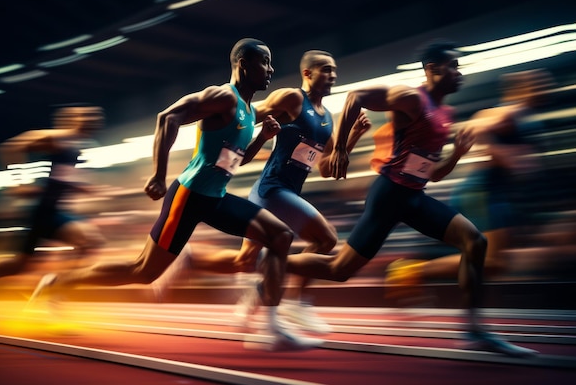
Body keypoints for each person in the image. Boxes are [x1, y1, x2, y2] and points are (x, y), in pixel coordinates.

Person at [28, 38, 322, 351]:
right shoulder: (223, 96)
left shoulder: (250, 112)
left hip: (216, 198)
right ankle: (57, 283)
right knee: (142, 272)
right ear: (244, 65)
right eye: (265, 62)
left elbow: (233, 162)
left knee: (279, 236)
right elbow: (167, 117)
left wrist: (262, 137)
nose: (271, 70)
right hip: (188, 196)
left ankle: (272, 327)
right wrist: (158, 174)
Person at [283, 40, 538, 357]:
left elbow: (433, 175)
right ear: (433, 69)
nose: (459, 73)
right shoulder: (411, 98)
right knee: (339, 270)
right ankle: (272, 261)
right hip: (389, 195)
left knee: (475, 241)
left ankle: (475, 329)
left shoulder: (445, 113)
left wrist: (457, 155)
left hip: (415, 196)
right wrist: (339, 149)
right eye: (453, 66)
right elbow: (355, 96)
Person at [184, 50, 371, 333]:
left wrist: (353, 136)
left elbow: (327, 169)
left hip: (285, 193)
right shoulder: (292, 98)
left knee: (242, 261)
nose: (332, 75)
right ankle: (296, 303)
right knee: (325, 240)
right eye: (325, 69)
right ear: (307, 73)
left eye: (334, 70)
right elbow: (246, 117)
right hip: (272, 190)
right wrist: (220, 153)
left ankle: (193, 259)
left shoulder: (327, 118)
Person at [386, 68, 555, 288]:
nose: (547, 88)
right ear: (524, 88)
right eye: (540, 84)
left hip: (495, 194)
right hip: (482, 192)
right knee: (491, 260)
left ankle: (459, 301)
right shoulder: (510, 112)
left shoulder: (520, 115)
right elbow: (473, 127)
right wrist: (503, 155)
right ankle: (410, 270)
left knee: (496, 263)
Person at [0, 104, 107, 321]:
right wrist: (18, 183)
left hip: (56, 212)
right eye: (88, 114)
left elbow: (59, 177)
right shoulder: (56, 137)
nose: (95, 118)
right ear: (74, 118)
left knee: (90, 242)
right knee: (20, 265)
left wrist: (82, 187)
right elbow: (10, 147)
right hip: (43, 212)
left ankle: (55, 287)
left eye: (96, 116)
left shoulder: (76, 146)